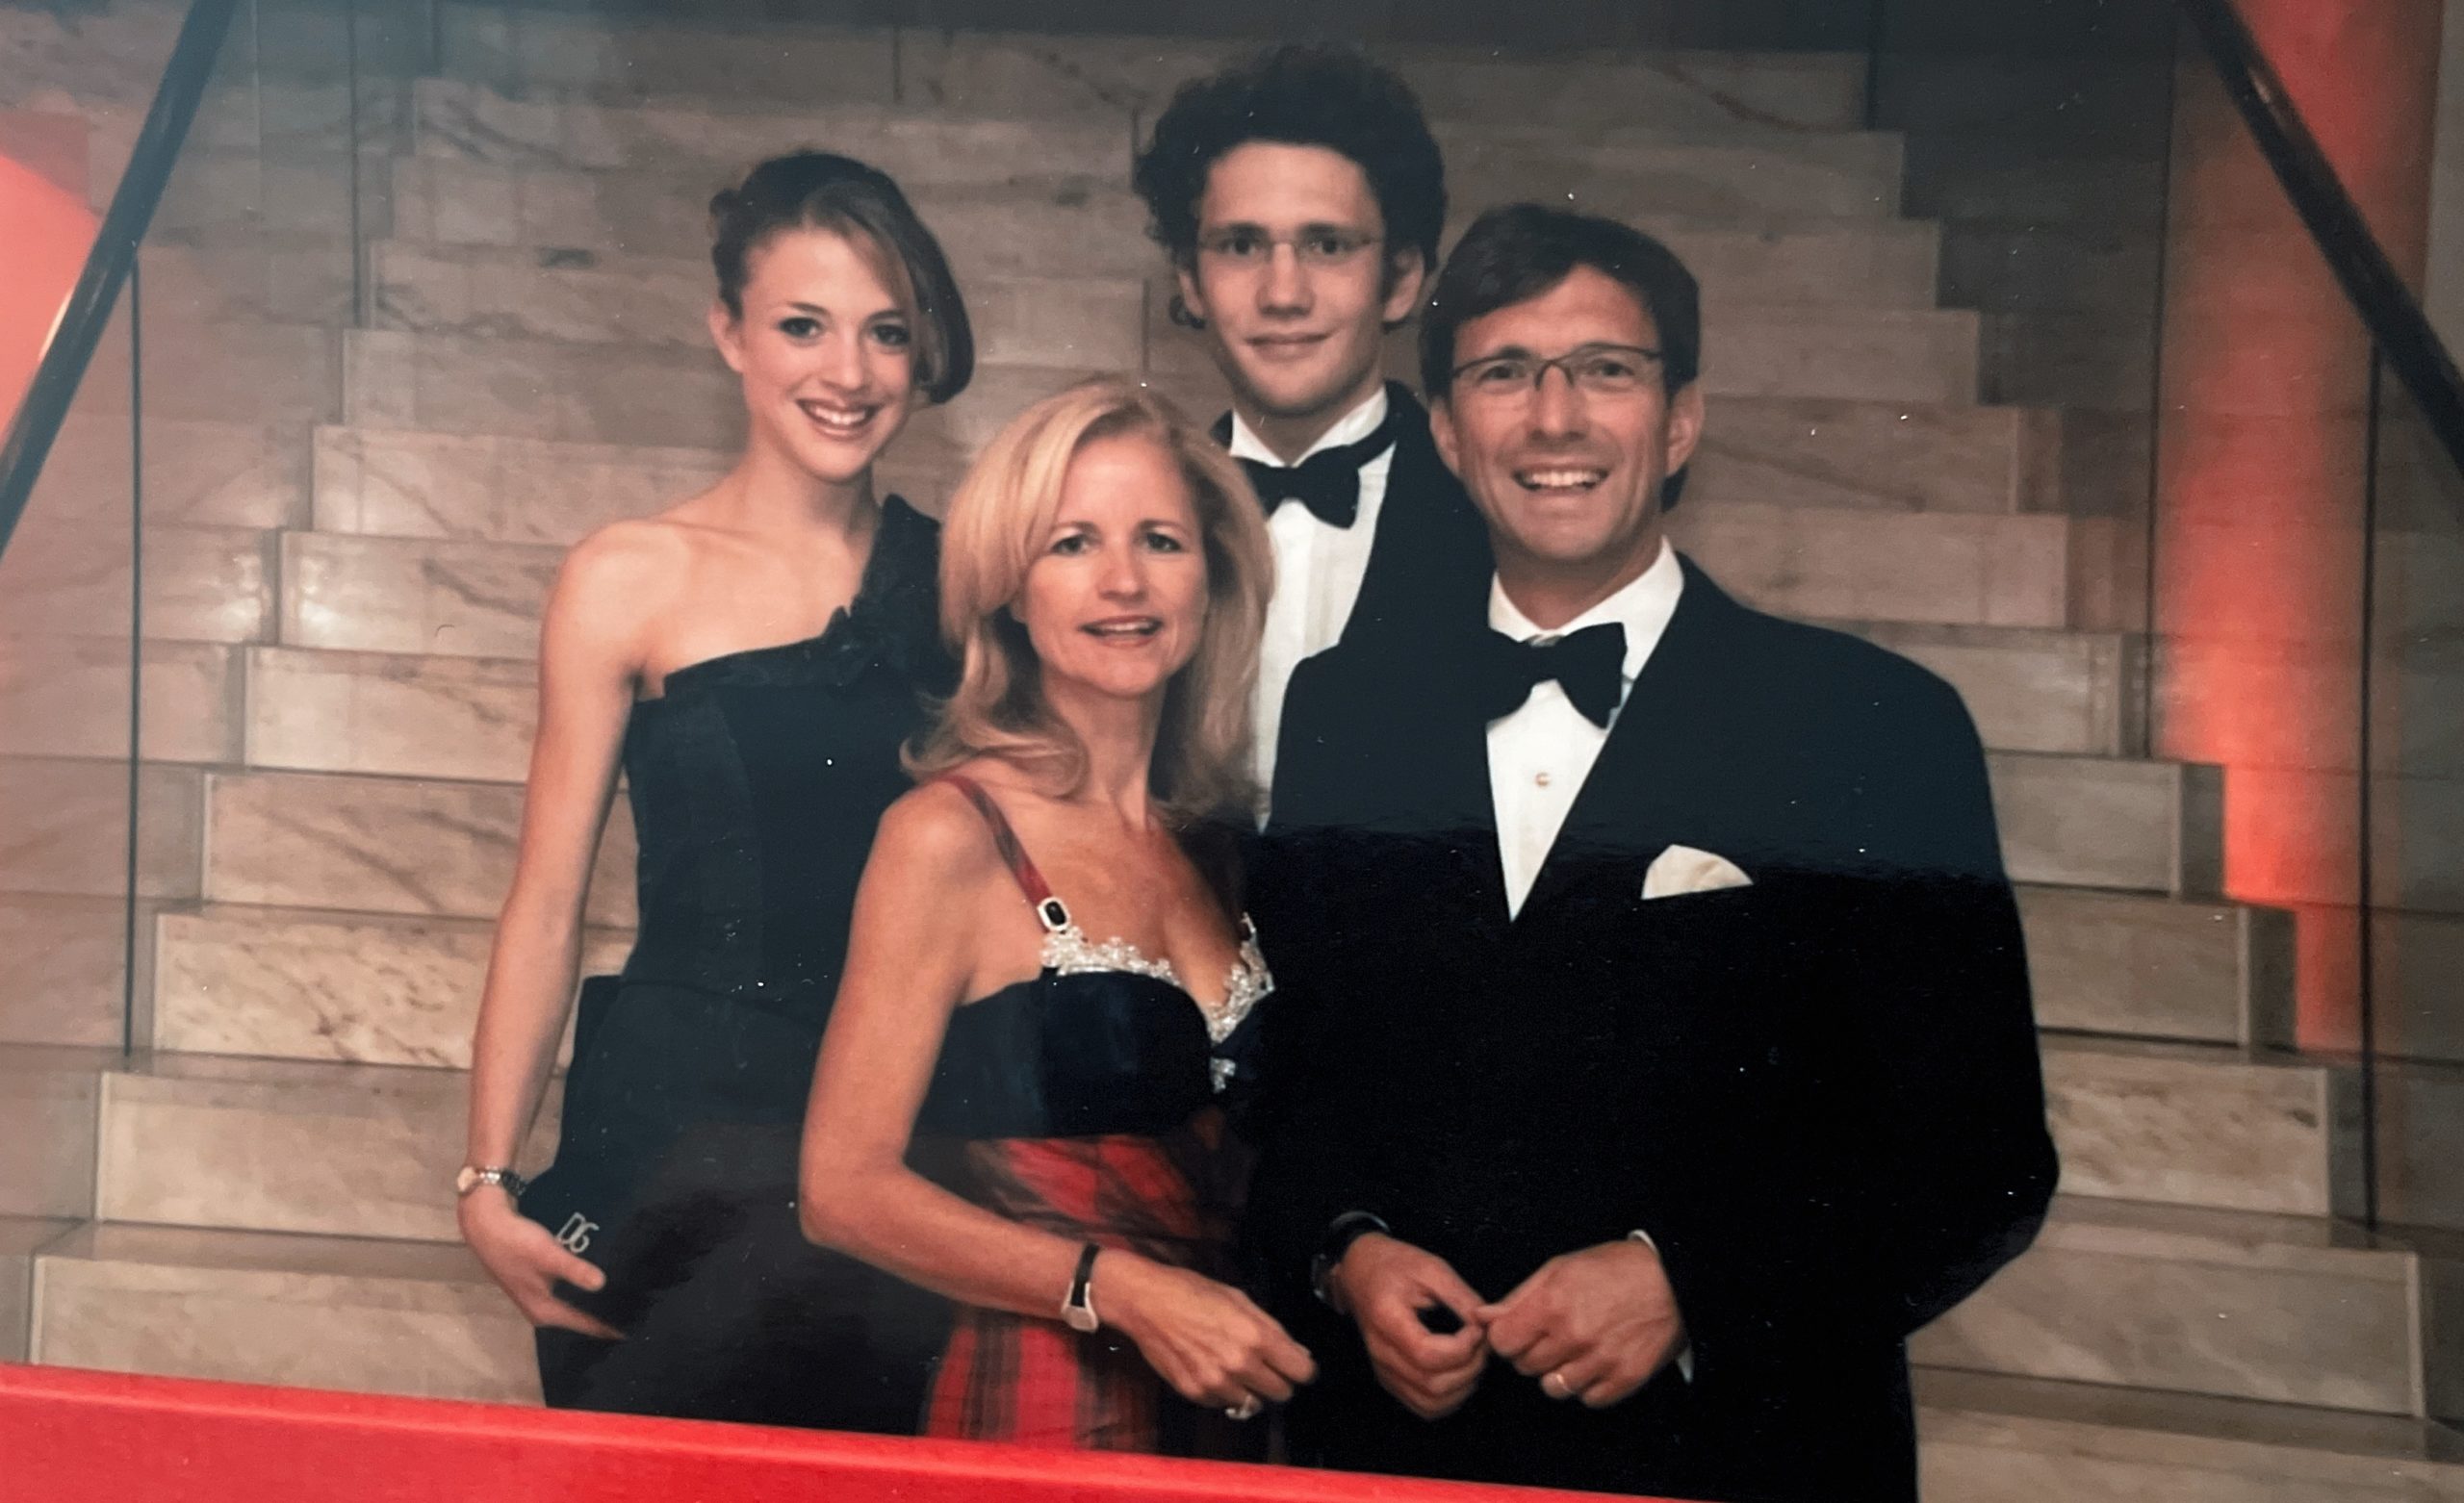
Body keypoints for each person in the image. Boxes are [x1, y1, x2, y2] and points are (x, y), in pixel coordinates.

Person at [1245, 205, 2061, 1503]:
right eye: (1504, 372)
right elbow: (1295, 1074)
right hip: (1401, 1454)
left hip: (1741, 1454)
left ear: (1680, 420)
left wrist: (1692, 1276)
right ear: (1447, 431)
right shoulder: (1346, 708)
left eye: (1605, 370)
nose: (1553, 417)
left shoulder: (1873, 723)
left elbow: (1982, 1154)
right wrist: (1344, 1251)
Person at [454, 151, 974, 1429]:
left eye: (885, 331)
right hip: (673, 1143)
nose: (847, 372)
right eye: (803, 325)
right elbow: (546, 898)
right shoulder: (628, 576)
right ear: (729, 334)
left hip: (896, 1150)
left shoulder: (968, 583)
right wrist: (486, 1176)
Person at [798, 378, 1314, 1456]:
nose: (1124, 581)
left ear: (1212, 577)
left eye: (1161, 540)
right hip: (1040, 1410)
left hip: (1228, 1412)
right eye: (1072, 543)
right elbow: (842, 1192)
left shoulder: (1215, 846)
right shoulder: (948, 834)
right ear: (1008, 589)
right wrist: (1118, 1289)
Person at [1132, 44, 1492, 802]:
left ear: (1401, 279)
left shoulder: (1495, 513)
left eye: (1327, 246)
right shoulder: (1132, 515)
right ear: (1190, 281)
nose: (1283, 294)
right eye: (1241, 246)